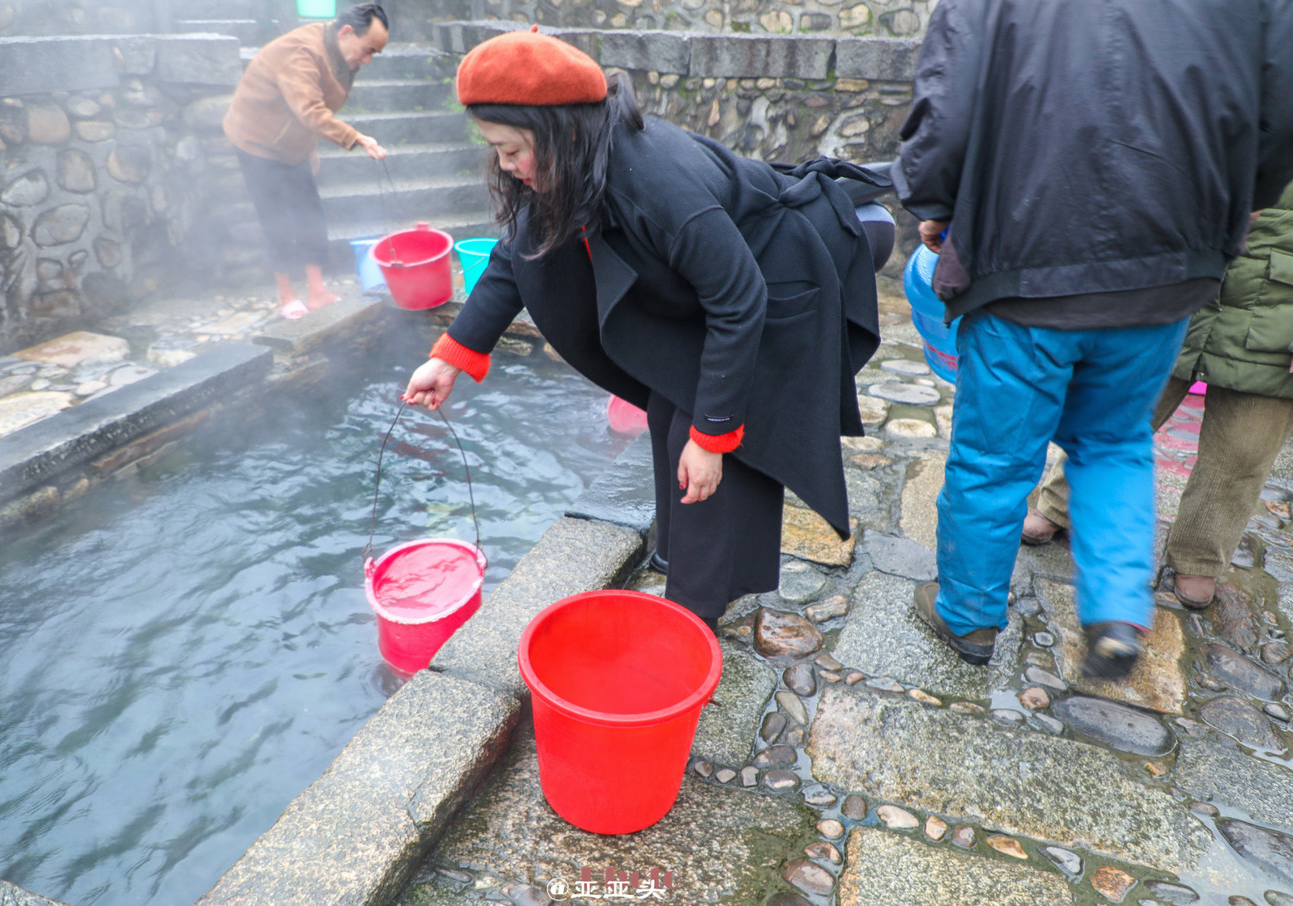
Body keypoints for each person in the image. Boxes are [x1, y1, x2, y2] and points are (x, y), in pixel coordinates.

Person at [403, 28, 883, 625]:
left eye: (510, 149)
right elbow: (516, 255)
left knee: (706, 441)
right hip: (720, 291)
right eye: (495, 149)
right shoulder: (576, 158)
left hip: (780, 279)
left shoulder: (656, 181)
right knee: (666, 406)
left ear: (558, 131)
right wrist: (453, 355)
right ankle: (683, 558)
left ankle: (692, 614)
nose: (505, 165)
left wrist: (711, 437)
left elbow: (739, 299)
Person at [893, 0, 1293, 678]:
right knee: (1114, 442)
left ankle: (969, 617)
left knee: (993, 458)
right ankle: (1114, 615)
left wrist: (934, 203)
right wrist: (1241, 200)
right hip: (1167, 266)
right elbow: (1279, 107)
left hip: (1024, 263)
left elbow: (946, 103)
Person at [1024, 184, 1293, 611]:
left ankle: (1199, 557)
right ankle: (1059, 504)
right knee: (1118, 411)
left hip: (1282, 309)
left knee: (1244, 448)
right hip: (1183, 279)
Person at [223, 3, 390, 320]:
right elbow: (310, 110)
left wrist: (308, 148)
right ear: (346, 32)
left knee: (310, 211)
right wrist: (358, 138)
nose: (367, 60)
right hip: (256, 139)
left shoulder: (340, 56)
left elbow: (314, 108)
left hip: (293, 142)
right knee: (275, 217)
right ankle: (286, 296)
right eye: (368, 50)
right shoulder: (301, 52)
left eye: (374, 54)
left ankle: (317, 291)